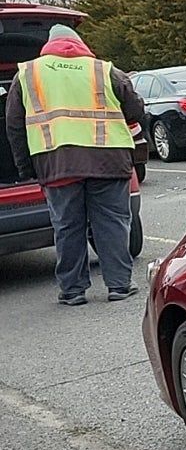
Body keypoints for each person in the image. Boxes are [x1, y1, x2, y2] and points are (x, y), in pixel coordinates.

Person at [4, 24, 147, 305]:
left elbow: (14, 126)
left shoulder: (28, 74)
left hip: (57, 164)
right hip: (108, 161)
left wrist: (26, 169)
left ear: (48, 45)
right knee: (113, 224)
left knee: (68, 227)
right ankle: (119, 285)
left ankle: (73, 291)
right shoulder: (103, 70)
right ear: (80, 43)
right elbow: (136, 109)